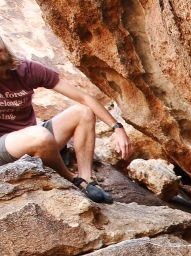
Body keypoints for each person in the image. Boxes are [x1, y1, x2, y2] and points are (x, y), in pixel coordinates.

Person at [0, 35, 131, 203]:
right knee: (39, 135)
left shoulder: (27, 70)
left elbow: (84, 98)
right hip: (5, 147)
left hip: (34, 139)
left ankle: (87, 179)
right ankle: (74, 180)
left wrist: (117, 127)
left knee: (83, 112)